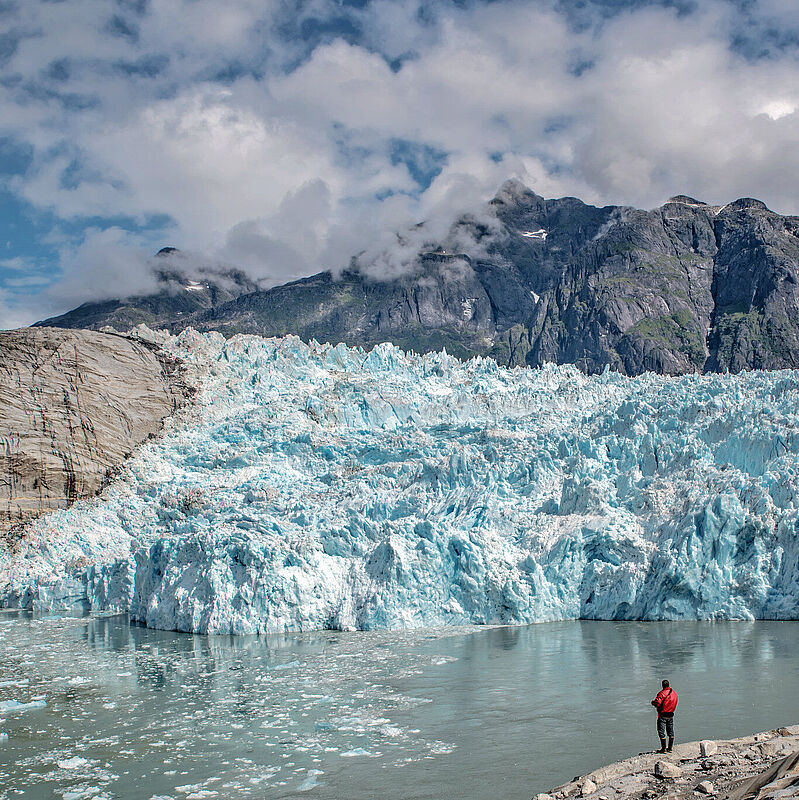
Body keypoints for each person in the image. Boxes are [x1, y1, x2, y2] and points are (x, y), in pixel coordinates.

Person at [651, 679, 678, 753]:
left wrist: (653, 703)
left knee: (661, 731)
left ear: (662, 685)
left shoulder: (661, 693)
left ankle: (663, 749)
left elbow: (658, 703)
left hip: (663, 715)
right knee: (671, 731)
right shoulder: (674, 693)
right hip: (671, 714)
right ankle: (670, 748)